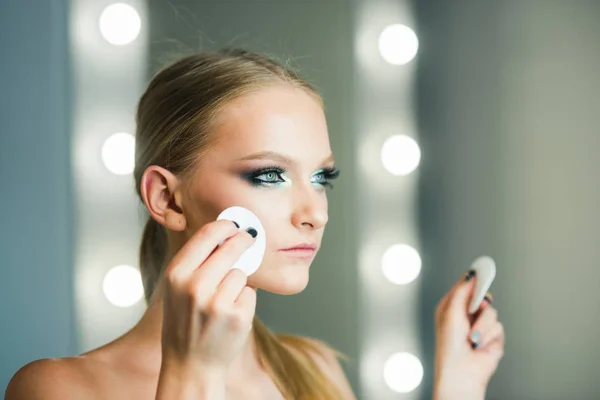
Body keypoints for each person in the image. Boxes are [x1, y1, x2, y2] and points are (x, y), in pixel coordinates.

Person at [5, 48, 504, 399]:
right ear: (166, 198)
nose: (316, 212)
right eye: (270, 175)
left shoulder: (314, 369)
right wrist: (192, 373)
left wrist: (459, 387)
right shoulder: (57, 389)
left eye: (321, 177)